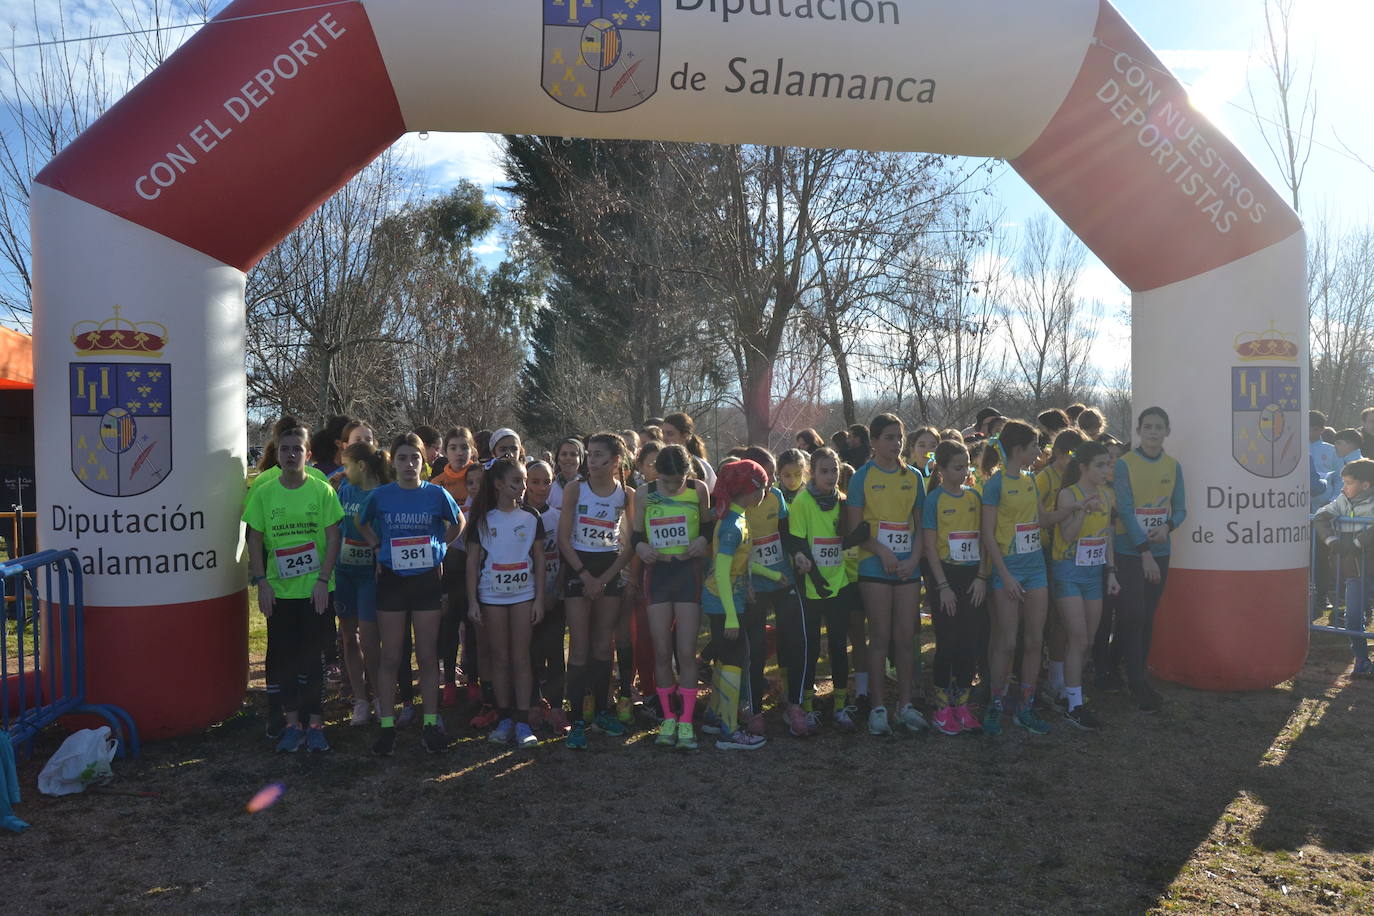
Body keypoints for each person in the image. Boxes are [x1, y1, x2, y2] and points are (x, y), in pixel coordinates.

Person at [357, 433, 465, 755]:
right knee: (391, 655)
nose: (409, 465)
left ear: (424, 461)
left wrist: (441, 547)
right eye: (402, 458)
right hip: (392, 579)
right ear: (394, 461)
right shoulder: (381, 495)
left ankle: (430, 724)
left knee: (427, 655)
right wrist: (377, 546)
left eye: (414, 458)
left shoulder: (436, 494)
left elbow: (459, 520)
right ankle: (388, 728)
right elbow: (361, 521)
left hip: (426, 581)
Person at [243, 424, 342, 753]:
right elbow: (254, 538)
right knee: (285, 659)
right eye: (284, 449)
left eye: (297, 449)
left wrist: (323, 580)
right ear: (276, 453)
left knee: (313, 659)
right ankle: (291, 724)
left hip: (315, 590)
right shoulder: (264, 491)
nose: (290, 455)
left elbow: (333, 537)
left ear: (308, 455)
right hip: (280, 592)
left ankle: (315, 724)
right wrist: (262, 582)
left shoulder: (321, 490)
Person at [846, 413, 926, 736]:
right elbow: (854, 530)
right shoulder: (861, 477)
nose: (896, 443)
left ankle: (905, 705)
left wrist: (914, 559)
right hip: (874, 566)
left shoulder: (915, 477)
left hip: (908, 567)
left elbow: (921, 526)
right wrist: (881, 551)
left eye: (899, 437)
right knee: (879, 637)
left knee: (906, 638)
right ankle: (878, 707)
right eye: (890, 437)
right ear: (875, 442)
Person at [557, 432, 634, 748]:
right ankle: (576, 720)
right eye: (589, 454)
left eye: (599, 454)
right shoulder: (576, 489)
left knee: (604, 645)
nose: (591, 460)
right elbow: (563, 538)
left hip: (609, 570)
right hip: (580, 568)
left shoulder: (627, 494)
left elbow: (630, 542)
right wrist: (585, 576)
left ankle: (602, 710)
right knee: (579, 645)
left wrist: (607, 577)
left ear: (615, 460)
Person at [633, 444, 711, 750]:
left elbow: (708, 524)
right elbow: (637, 534)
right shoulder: (645, 493)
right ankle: (668, 718)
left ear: (688, 472)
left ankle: (687, 722)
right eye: (667, 481)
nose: (673, 486)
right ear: (656, 474)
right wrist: (641, 547)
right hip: (659, 575)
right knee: (662, 651)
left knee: (687, 650)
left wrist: (703, 539)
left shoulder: (698, 490)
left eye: (678, 481)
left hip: (687, 574)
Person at [466, 457, 545, 748]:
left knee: (521, 657)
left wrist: (539, 599)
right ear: (498, 484)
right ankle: (504, 719)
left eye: (524, 481)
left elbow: (538, 559)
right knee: (499, 658)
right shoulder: (483, 519)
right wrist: (473, 601)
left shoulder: (531, 517)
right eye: (517, 482)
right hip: (492, 597)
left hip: (524, 596)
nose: (523, 487)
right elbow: (472, 564)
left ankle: (523, 720)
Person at [980, 419, 1052, 736]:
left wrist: (1076, 506)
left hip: (1035, 568)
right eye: (1035, 446)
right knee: (1007, 643)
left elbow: (1043, 519)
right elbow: (987, 533)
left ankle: (1025, 706)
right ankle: (995, 705)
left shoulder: (1031, 480)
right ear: (1018, 449)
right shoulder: (995, 484)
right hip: (1007, 569)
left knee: (1034, 641)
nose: (1039, 451)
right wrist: (1005, 576)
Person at [1113, 407, 1186, 714]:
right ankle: (1136, 683)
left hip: (1160, 552)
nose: (1153, 432)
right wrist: (1143, 551)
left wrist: (1167, 527)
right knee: (1133, 615)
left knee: (1145, 618)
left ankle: (1118, 669)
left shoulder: (1173, 466)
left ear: (1167, 431)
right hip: (1129, 552)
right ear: (1139, 431)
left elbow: (1181, 509)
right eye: (1148, 427)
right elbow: (1126, 511)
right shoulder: (1124, 464)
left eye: (1159, 427)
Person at [786, 447, 861, 733]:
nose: (830, 476)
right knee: (811, 648)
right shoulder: (803, 503)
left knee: (839, 646)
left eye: (834, 471)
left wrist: (857, 536)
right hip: (811, 587)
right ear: (811, 473)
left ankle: (840, 705)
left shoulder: (842, 501)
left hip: (839, 584)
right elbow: (797, 542)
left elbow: (841, 542)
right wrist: (815, 577)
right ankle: (806, 707)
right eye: (824, 471)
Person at [702, 459, 775, 750]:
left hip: (729, 600)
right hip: (724, 604)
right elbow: (720, 571)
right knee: (734, 661)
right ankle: (729, 731)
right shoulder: (732, 524)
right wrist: (731, 617)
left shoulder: (738, 517)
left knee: (726, 660)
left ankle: (714, 716)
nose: (766, 494)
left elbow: (738, 566)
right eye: (765, 487)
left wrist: (772, 575)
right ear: (751, 489)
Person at [920, 440, 989, 736]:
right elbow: (930, 547)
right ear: (942, 468)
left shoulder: (974, 497)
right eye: (957, 468)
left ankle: (962, 702)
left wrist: (982, 577)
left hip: (972, 577)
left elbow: (985, 539)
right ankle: (941, 706)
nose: (963, 473)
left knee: (969, 641)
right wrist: (942, 585)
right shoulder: (934, 499)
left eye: (966, 467)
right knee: (947, 641)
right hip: (945, 577)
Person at [1050, 441, 1119, 730]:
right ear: (1084, 468)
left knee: (1088, 641)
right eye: (1100, 465)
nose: (1106, 470)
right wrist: (1082, 511)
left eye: (1108, 464)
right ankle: (1074, 705)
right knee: (1077, 639)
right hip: (1067, 572)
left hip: (1093, 575)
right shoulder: (1068, 495)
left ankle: (1069, 690)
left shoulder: (1108, 495)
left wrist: (1112, 572)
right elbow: (1066, 536)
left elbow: (1107, 538)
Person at [335, 441, 392, 726]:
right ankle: (360, 700)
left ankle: (381, 698)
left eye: (346, 466)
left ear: (360, 465)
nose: (343, 471)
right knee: (348, 636)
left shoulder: (383, 494)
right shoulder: (345, 490)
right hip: (344, 572)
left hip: (371, 574)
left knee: (371, 640)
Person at [1313, 457, 1374, 677]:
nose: (1344, 487)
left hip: (1369, 565)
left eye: (1348, 483)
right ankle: (1361, 660)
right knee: (1352, 617)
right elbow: (1320, 517)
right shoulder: (1342, 500)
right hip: (1355, 571)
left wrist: (1358, 542)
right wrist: (1332, 541)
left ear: (1365, 485)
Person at [432, 427, 477, 708]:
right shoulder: (437, 483)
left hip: (479, 563)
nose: (460, 453)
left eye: (464, 447)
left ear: (472, 450)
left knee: (473, 627)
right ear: (445, 452)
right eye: (453, 448)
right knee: (448, 626)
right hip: (448, 563)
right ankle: (449, 681)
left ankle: (473, 681)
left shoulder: (481, 476)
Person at [525, 461, 569, 732]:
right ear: (526, 483)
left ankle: (556, 707)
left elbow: (565, 558)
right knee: (530, 653)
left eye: (546, 481)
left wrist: (555, 591)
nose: (541, 487)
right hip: (524, 596)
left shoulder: (558, 516)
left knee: (554, 651)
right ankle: (532, 704)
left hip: (554, 595)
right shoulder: (517, 515)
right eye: (535, 481)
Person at [662, 412, 716, 489]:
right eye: (663, 433)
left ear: (685, 435)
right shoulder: (658, 463)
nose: (664, 439)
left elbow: (712, 494)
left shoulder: (702, 466)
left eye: (670, 434)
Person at [550, 437, 585, 510]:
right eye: (564, 454)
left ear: (580, 459)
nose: (568, 458)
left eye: (573, 454)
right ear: (558, 459)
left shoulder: (587, 487)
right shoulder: (549, 487)